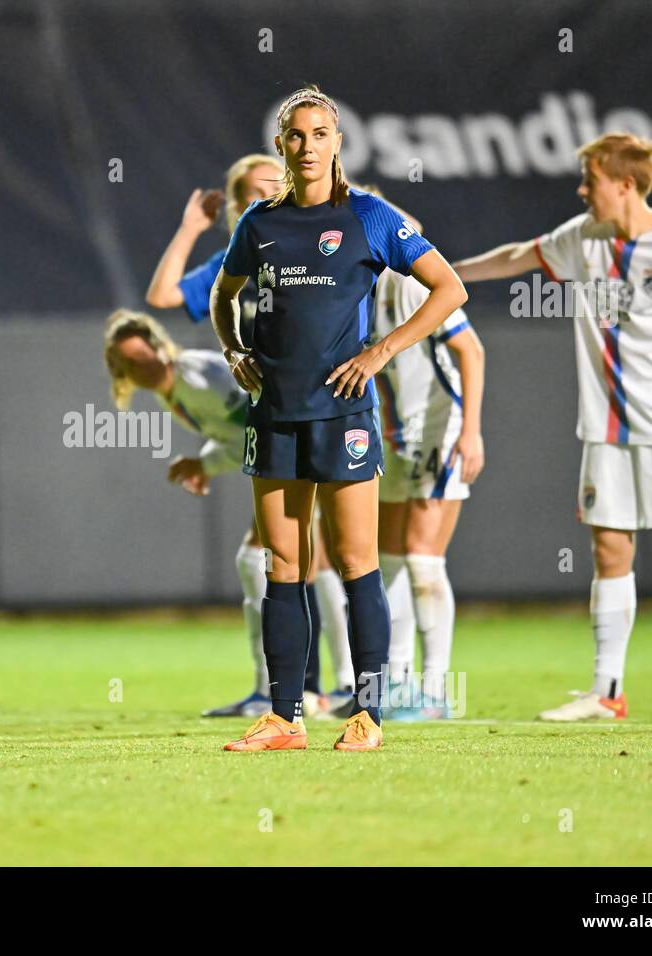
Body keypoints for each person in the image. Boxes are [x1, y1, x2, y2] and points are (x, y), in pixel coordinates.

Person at [453, 133, 652, 721]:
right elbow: (518, 256)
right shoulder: (581, 238)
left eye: (590, 179)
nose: (581, 189)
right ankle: (607, 691)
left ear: (626, 185)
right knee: (609, 550)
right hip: (605, 433)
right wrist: (441, 274)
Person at [210, 85, 467, 752]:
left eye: (319, 133)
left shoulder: (370, 216)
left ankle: (368, 715)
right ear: (281, 145)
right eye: (295, 135)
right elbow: (222, 294)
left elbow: (450, 288)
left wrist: (382, 350)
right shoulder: (259, 224)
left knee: (357, 564)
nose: (307, 145)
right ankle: (285, 718)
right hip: (274, 415)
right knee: (282, 565)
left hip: (345, 416)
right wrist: (235, 348)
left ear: (337, 143)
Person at [145, 155, 355, 717]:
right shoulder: (242, 250)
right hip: (275, 411)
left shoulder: (323, 236)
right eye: (253, 191)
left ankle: (327, 687)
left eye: (275, 182)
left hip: (331, 404)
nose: (270, 192)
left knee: (318, 554)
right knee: (297, 554)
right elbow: (164, 297)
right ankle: (314, 688)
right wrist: (191, 227)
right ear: (235, 206)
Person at [369, 198, 486, 721]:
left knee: (421, 557)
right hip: (394, 437)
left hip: (439, 428)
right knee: (387, 559)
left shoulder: (410, 281)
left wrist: (472, 434)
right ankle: (395, 682)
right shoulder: (354, 291)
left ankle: (436, 689)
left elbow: (471, 351)